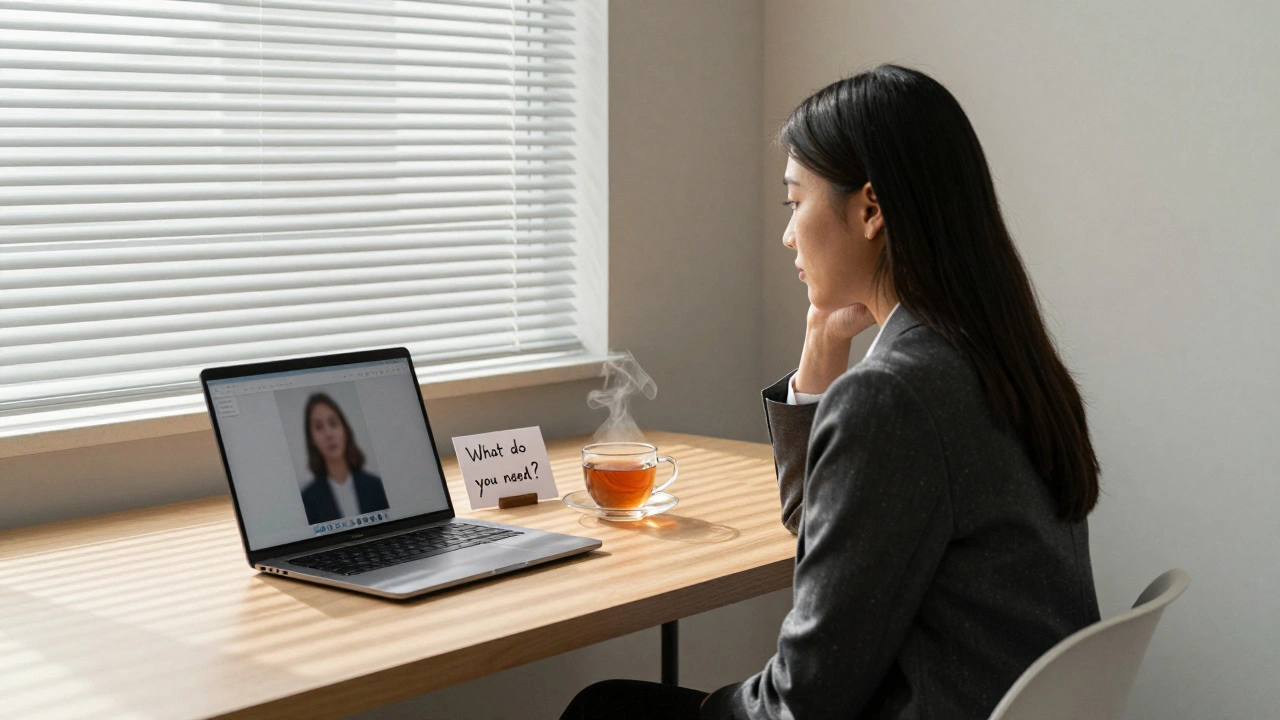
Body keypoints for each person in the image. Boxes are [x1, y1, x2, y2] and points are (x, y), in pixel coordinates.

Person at [562, 64, 1102, 720]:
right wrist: (822, 347)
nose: (788, 233)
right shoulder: (1006, 360)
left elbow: (807, 697)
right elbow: (826, 531)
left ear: (869, 209)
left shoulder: (896, 397)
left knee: (605, 708)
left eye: (795, 202)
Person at [299, 392, 389, 525]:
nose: (328, 434)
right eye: (319, 427)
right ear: (311, 439)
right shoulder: (307, 500)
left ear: (345, 430)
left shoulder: (376, 487)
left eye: (333, 423)